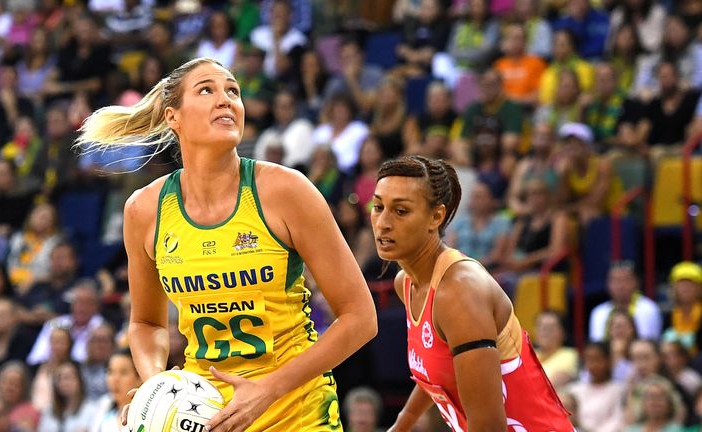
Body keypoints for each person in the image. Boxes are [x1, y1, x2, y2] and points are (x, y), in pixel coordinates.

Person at [76, 56, 377, 430]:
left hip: (296, 413)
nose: (226, 99)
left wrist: (267, 389)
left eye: (233, 91)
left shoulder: (286, 190)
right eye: (207, 90)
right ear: (174, 117)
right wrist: (157, 383)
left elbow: (361, 318)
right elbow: (145, 322)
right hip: (206, 417)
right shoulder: (143, 210)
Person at [370, 155, 572, 431]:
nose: (383, 222)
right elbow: (436, 372)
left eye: (401, 211)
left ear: (436, 217)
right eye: (378, 206)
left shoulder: (458, 292)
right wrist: (400, 426)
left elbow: (488, 427)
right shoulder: (405, 283)